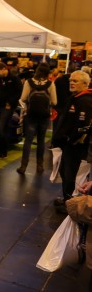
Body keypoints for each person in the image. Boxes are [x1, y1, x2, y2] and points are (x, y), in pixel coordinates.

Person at [52, 70, 92, 213]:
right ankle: (66, 199)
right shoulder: (75, 97)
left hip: (76, 147)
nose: (72, 83)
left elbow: (83, 126)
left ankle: (70, 203)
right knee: (65, 172)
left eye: (75, 81)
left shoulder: (85, 100)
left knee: (71, 175)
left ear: (85, 84)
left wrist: (71, 140)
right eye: (71, 81)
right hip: (68, 145)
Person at [17, 62, 57, 175]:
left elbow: (23, 98)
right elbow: (54, 101)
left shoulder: (29, 82)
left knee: (28, 141)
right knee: (41, 141)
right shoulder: (50, 84)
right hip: (44, 116)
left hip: (31, 115)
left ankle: (23, 166)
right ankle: (40, 166)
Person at [0, 62, 21, 158]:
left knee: (2, 128)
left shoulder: (14, 79)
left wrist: (10, 102)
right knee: (0, 129)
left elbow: (18, 93)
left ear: (4, 69)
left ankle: (2, 151)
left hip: (8, 107)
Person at [53, 64, 76, 133]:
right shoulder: (75, 81)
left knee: (56, 126)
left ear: (67, 70)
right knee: (66, 128)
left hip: (58, 105)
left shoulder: (58, 80)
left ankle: (54, 142)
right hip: (69, 107)